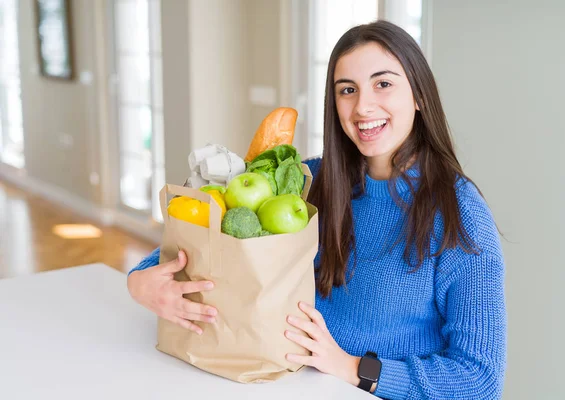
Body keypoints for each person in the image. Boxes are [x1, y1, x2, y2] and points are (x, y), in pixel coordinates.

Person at [128, 20, 506, 399]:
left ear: (419, 94)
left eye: (384, 84)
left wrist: (353, 367)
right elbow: (220, 239)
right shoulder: (310, 180)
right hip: (276, 378)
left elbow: (480, 379)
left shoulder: (460, 215)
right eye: (348, 90)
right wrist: (142, 281)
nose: (363, 106)